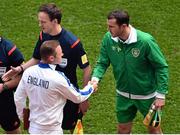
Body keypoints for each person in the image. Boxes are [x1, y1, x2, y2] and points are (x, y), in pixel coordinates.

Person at [2, 3, 91, 132]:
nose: (40, 25)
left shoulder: (73, 43)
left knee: (73, 126)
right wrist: (20, 69)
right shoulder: (43, 36)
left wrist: (84, 100)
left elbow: (86, 68)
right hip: (48, 93)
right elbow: (36, 58)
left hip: (68, 93)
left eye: (43, 22)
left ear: (54, 21)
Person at [91, 9, 169, 134]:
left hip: (148, 96)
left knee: (154, 129)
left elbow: (161, 67)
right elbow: (102, 62)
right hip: (123, 95)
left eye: (111, 26)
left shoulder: (145, 41)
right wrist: (95, 79)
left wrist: (161, 95)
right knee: (122, 130)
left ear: (123, 26)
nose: (108, 29)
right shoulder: (108, 39)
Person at [14, 40, 97, 134]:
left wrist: (24, 118)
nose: (62, 54)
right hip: (53, 130)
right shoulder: (57, 78)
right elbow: (77, 97)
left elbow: (18, 98)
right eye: (60, 52)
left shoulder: (28, 72)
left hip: (34, 129)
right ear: (51, 58)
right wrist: (91, 87)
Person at [0, 36, 24, 134]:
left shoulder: (8, 49)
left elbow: (23, 75)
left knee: (12, 130)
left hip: (4, 99)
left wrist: (4, 86)